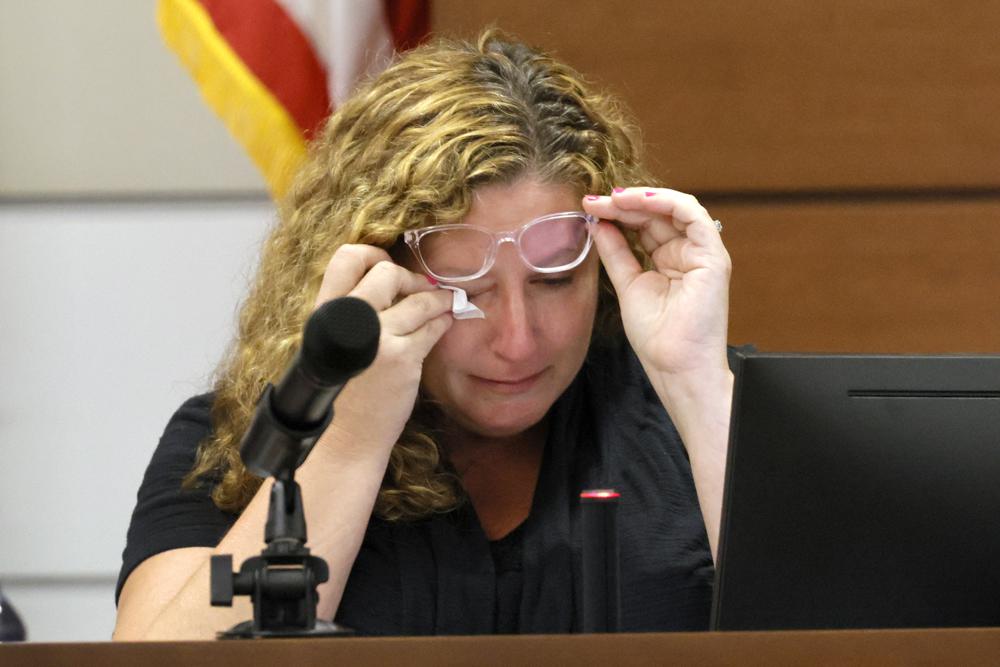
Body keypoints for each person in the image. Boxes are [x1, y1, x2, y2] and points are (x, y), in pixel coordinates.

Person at [113, 29, 733, 639]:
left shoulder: (701, 401)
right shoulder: (242, 436)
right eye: (468, 288)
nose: (517, 340)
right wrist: (350, 437)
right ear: (377, 274)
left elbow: (822, 635)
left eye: (554, 280)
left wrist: (696, 384)